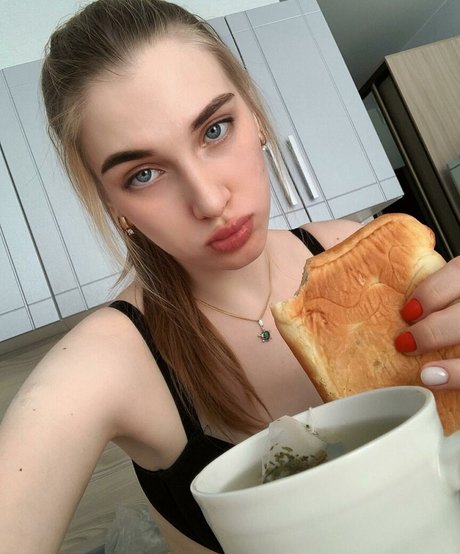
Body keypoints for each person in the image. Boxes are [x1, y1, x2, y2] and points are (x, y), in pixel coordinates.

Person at [0, 1, 459, 552]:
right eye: (143, 174)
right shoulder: (109, 359)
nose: (210, 200)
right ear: (114, 205)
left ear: (255, 117)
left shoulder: (355, 249)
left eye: (215, 129)